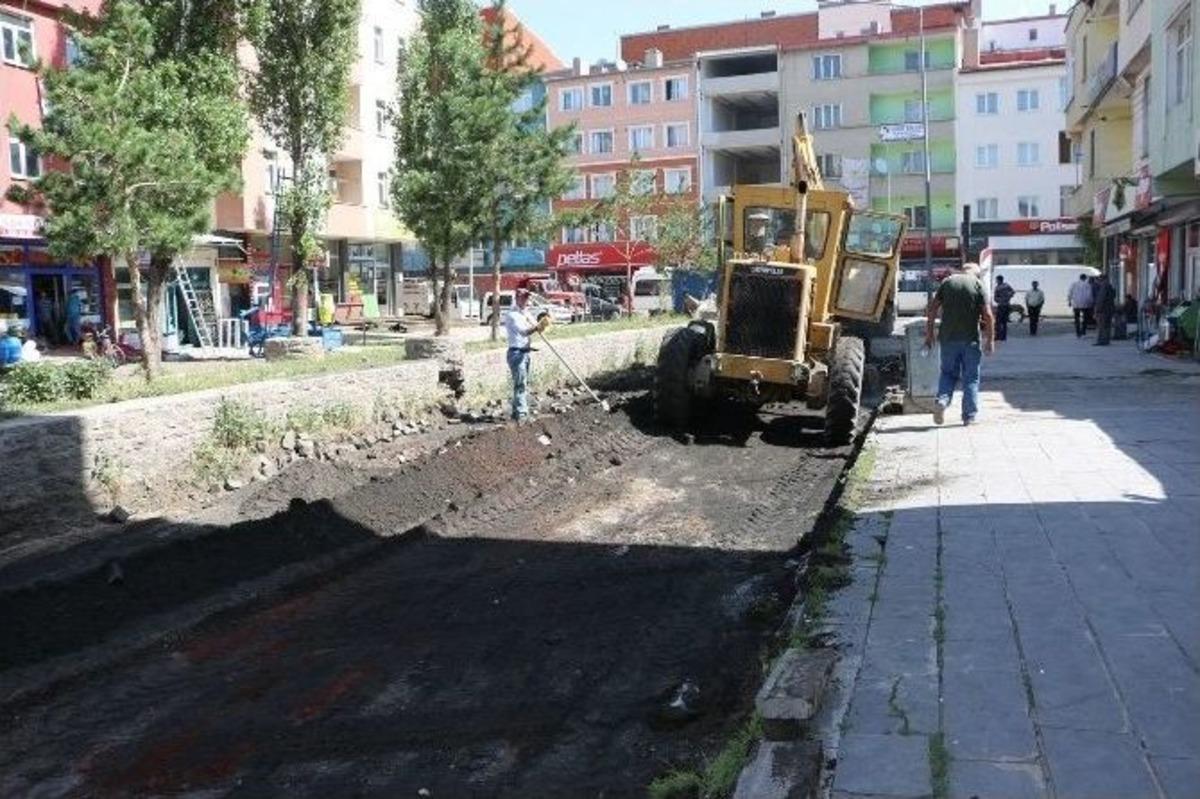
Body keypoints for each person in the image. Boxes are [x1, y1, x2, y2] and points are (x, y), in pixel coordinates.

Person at [924, 262, 996, 426]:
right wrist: (990, 340)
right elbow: (988, 316)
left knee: (948, 374)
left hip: (948, 339)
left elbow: (932, 309)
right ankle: (968, 416)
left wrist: (929, 334)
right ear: (975, 274)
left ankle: (942, 401)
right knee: (971, 378)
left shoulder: (948, 282)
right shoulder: (978, 284)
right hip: (970, 340)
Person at [504, 289, 550, 422]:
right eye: (524, 298)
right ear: (517, 298)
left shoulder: (526, 313)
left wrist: (543, 324)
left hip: (525, 352)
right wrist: (537, 328)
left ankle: (516, 412)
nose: (526, 301)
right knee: (520, 384)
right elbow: (524, 332)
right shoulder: (512, 315)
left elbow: (535, 325)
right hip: (516, 353)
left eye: (527, 298)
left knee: (522, 383)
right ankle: (522, 414)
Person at [1068, 274, 1093, 338]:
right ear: (1085, 278)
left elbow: (1070, 293)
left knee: (1077, 319)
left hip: (1076, 304)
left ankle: (1078, 332)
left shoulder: (1074, 284)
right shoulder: (1088, 285)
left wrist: (1069, 301)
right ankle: (1083, 331)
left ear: (1080, 278)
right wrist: (1090, 302)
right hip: (1085, 304)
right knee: (1085, 318)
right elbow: (1089, 295)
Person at [1094, 274, 1116, 346]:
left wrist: (1097, 310)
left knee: (1101, 326)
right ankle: (1106, 340)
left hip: (1103, 310)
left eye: (1099, 280)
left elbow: (1101, 299)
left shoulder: (1104, 287)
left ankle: (1101, 341)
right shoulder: (1110, 286)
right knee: (1107, 326)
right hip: (1109, 310)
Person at [992, 275, 1015, 341]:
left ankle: (998, 336)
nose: (996, 281)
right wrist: (1008, 297)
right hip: (1006, 305)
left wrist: (1000, 299)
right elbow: (1012, 292)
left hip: (1002, 306)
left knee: (999, 322)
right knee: (1003, 322)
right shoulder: (1007, 285)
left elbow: (995, 298)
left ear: (999, 280)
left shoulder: (998, 287)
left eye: (997, 280)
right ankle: (1003, 337)